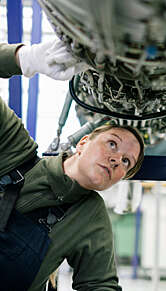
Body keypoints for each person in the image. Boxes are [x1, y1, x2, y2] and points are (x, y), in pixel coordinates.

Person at [0, 40, 145, 291]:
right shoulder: (15, 149)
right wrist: (24, 58)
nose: (116, 159)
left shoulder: (91, 217)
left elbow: (100, 285)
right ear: (83, 142)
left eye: (125, 162)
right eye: (112, 144)